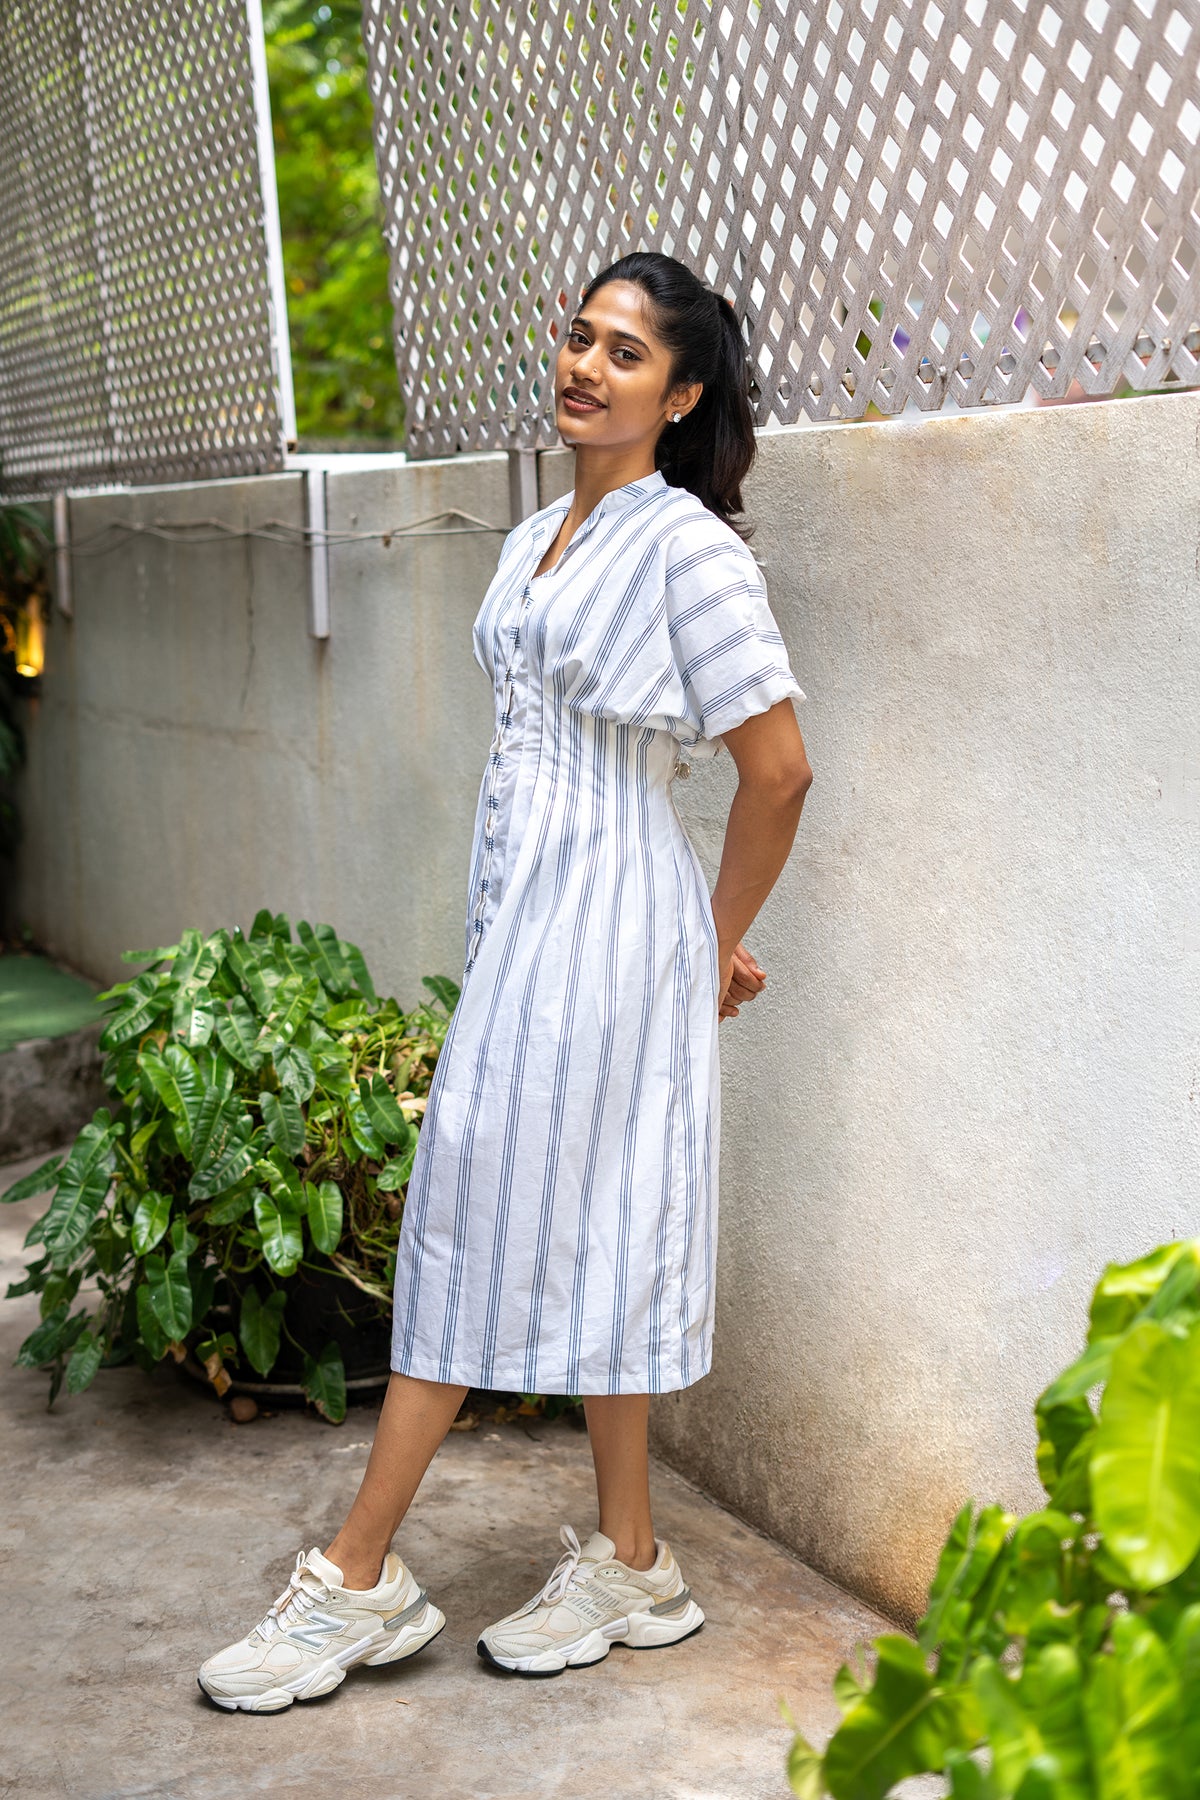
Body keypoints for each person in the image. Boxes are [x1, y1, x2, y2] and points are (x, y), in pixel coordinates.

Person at [197, 250, 813, 1711]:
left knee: (474, 1205)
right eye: (578, 337)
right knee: (588, 1211)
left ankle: (357, 1574)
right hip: (529, 920)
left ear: (682, 393)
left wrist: (704, 936)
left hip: (612, 920)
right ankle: (637, 1558)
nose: (586, 366)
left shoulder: (689, 551)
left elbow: (778, 771)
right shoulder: (538, 532)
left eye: (625, 351)